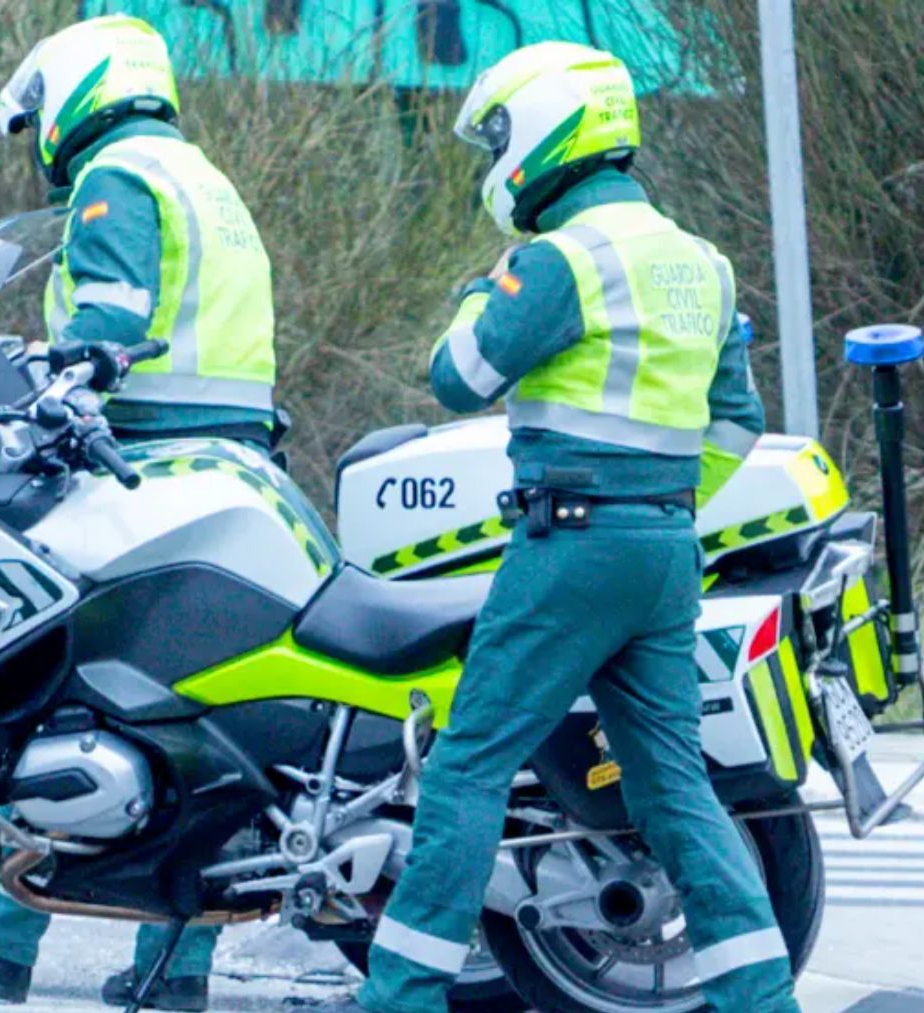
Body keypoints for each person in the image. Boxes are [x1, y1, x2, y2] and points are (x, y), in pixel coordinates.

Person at [314, 41, 797, 1013]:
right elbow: (738, 418)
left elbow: (458, 376)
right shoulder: (705, 264)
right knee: (675, 796)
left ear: (543, 131)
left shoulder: (562, 260)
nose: (493, 156)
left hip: (569, 545)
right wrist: (661, 494)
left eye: (497, 134)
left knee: (467, 768)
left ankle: (398, 996)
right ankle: (763, 998)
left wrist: (478, 289)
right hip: (664, 551)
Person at [0, 15, 279, 1012]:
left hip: (145, 469)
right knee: (193, 718)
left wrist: (50, 385)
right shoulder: (202, 178)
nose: (41, 133)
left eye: (39, 112)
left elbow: (112, 321)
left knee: (42, 688)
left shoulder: (117, 180)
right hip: (228, 466)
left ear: (78, 90)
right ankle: (178, 968)